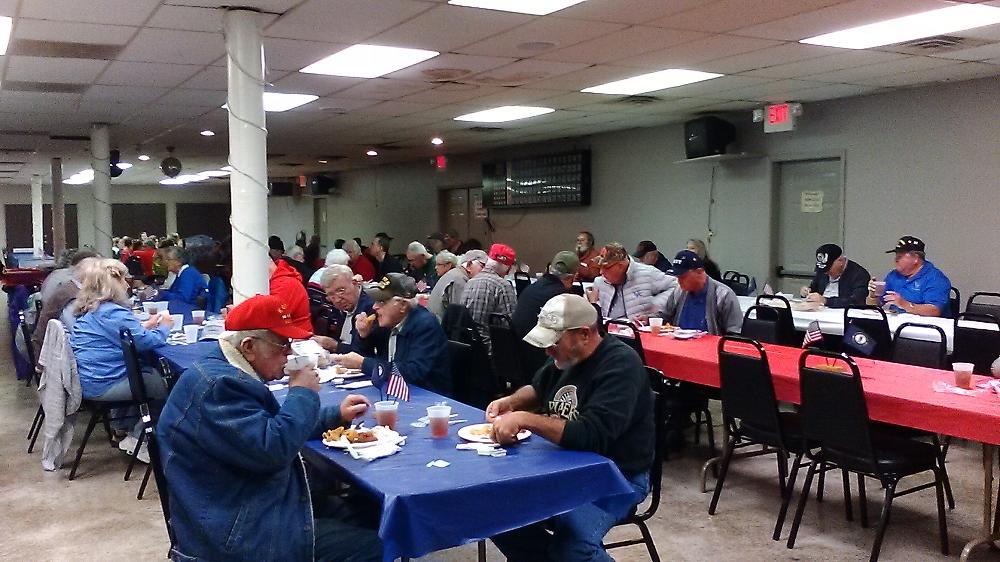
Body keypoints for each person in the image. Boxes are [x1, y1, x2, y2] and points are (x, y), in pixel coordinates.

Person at [157, 294, 382, 562]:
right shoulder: (219, 387)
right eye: (282, 345)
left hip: (241, 502)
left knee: (370, 511)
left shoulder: (227, 371)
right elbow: (273, 449)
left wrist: (336, 415)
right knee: (369, 546)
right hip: (236, 531)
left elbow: (270, 427)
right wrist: (303, 393)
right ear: (249, 346)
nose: (289, 353)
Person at [487, 293, 653, 562]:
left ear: (584, 335)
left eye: (554, 343)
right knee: (497, 515)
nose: (547, 350)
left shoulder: (620, 365)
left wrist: (525, 419)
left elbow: (590, 435)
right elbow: (539, 388)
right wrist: (510, 402)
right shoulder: (565, 358)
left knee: (573, 546)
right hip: (564, 467)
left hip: (615, 475)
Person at [70, 258, 173, 458]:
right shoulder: (112, 312)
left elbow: (119, 337)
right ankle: (139, 439)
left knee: (148, 374)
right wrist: (165, 327)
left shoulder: (92, 307)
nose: (128, 283)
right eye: (124, 279)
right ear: (113, 284)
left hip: (92, 378)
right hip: (105, 383)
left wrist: (145, 327)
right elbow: (145, 343)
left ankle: (123, 427)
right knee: (168, 384)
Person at [333, 273, 452, 396]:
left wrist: (364, 364)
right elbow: (363, 357)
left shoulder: (425, 325)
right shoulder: (386, 322)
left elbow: (413, 373)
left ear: (402, 305)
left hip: (427, 397)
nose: (375, 307)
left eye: (381, 302)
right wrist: (364, 336)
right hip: (391, 391)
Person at [659, 250, 742, 334]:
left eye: (683, 277)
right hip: (679, 344)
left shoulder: (723, 295)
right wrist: (647, 319)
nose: (679, 281)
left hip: (711, 345)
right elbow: (664, 316)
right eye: (677, 277)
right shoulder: (679, 291)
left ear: (699, 272)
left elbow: (734, 332)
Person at [587, 243, 677, 321]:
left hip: (638, 333)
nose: (601, 272)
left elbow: (676, 287)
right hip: (610, 334)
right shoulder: (599, 282)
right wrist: (593, 304)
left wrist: (656, 304)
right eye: (600, 267)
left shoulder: (647, 273)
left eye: (605, 267)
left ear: (620, 266)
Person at [32, 254, 99, 358]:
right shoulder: (72, 296)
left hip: (50, 349)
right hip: (61, 357)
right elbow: (80, 334)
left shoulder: (67, 284)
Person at [311, 264, 387, 355]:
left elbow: (367, 353)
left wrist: (335, 346)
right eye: (331, 295)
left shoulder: (372, 308)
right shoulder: (338, 309)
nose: (338, 299)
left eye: (341, 290)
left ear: (355, 283)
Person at [869, 236, 951, 316]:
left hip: (924, 327)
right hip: (894, 324)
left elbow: (934, 310)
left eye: (900, 256)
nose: (896, 259)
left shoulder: (935, 279)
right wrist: (873, 296)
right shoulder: (893, 275)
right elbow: (877, 305)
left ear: (915, 258)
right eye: (896, 255)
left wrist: (905, 305)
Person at [461, 243, 518, 351]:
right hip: (491, 351)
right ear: (508, 268)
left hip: (468, 347)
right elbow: (510, 324)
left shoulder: (470, 282)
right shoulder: (503, 286)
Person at [512, 251, 579, 339]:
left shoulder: (531, 288)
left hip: (517, 346)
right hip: (538, 349)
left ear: (549, 268)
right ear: (572, 277)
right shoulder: (561, 297)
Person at [800, 243, 871, 308]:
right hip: (819, 310)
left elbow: (857, 301)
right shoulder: (822, 272)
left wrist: (825, 301)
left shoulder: (859, 275)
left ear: (840, 261)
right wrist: (807, 292)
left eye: (828, 268)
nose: (826, 273)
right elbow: (814, 289)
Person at [428, 249, 486, 321]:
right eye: (482, 266)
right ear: (469, 265)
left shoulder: (455, 274)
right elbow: (459, 315)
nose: (485, 271)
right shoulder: (459, 280)